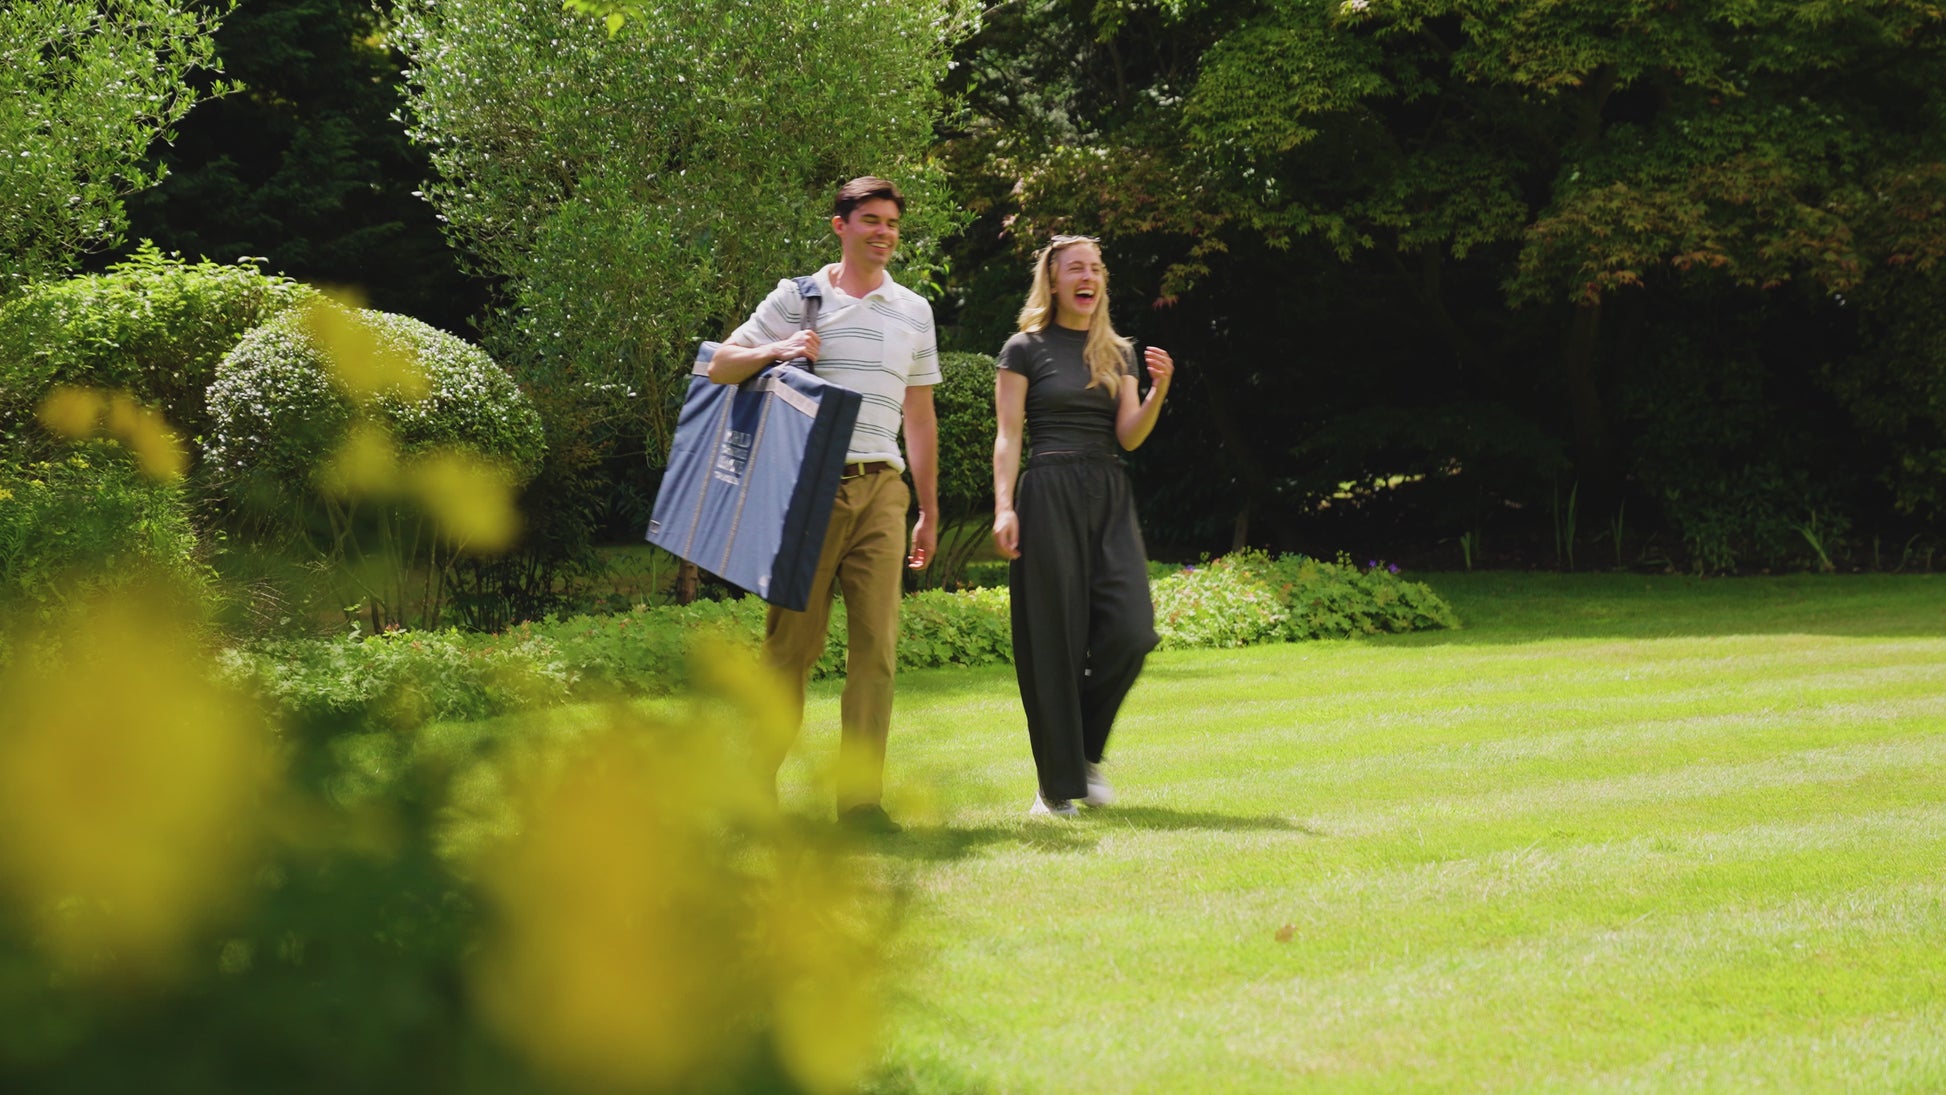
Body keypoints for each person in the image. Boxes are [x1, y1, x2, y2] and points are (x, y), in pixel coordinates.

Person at [707, 177, 939, 835]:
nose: (884, 233)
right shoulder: (798, 298)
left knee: (878, 648)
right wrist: (779, 349)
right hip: (807, 488)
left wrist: (928, 505)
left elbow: (919, 415)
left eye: (892, 223)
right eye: (870, 220)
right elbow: (720, 364)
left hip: (885, 493)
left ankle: (861, 802)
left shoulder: (913, 310)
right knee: (791, 649)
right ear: (840, 225)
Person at [991, 235, 1175, 818]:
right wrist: (1003, 506)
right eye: (1076, 268)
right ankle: (1058, 786)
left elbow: (1130, 435)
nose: (1088, 276)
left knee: (1132, 630)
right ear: (1053, 280)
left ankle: (1083, 754)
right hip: (1046, 492)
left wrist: (1157, 392)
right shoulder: (1023, 348)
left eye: (1096, 267)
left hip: (1107, 493)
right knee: (1055, 641)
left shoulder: (1115, 352)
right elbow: (1008, 435)